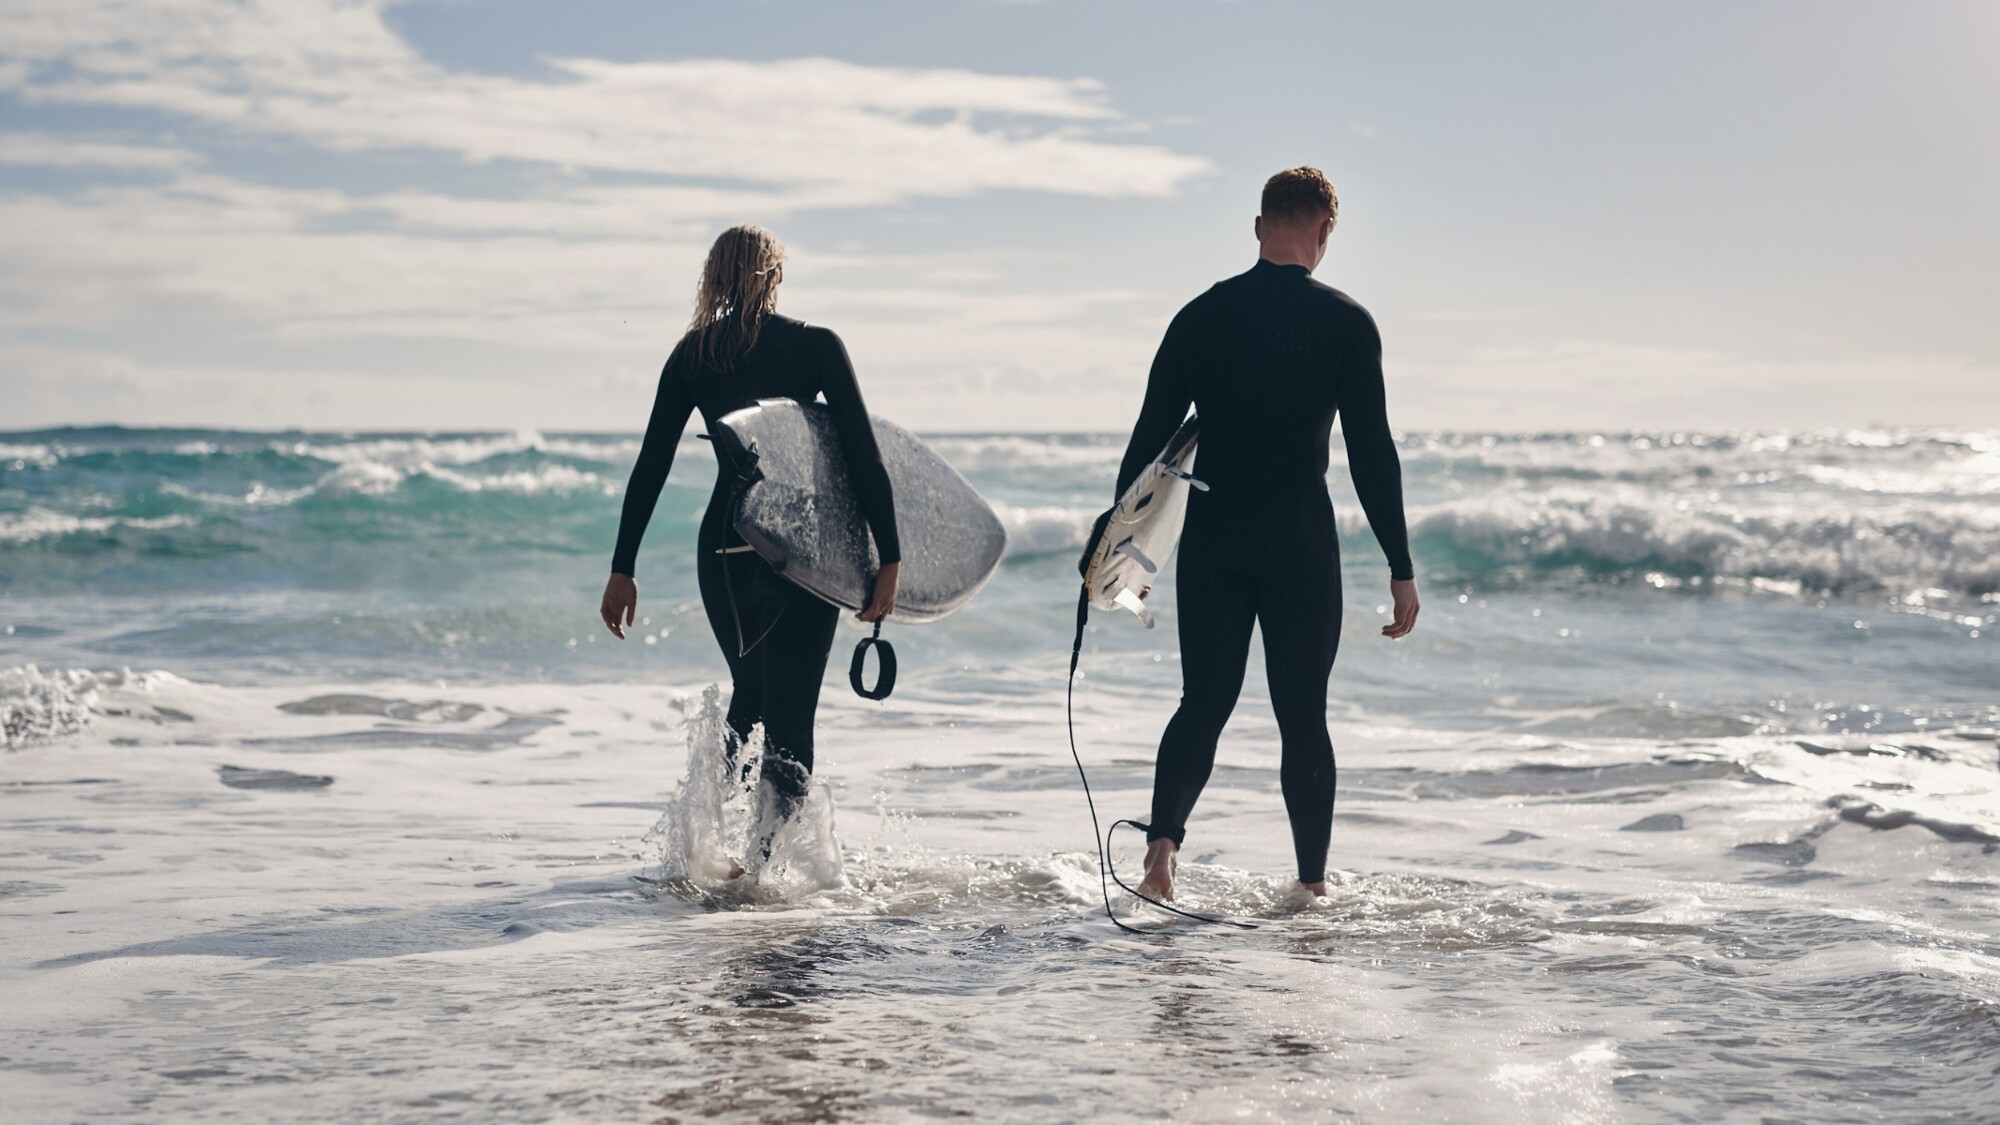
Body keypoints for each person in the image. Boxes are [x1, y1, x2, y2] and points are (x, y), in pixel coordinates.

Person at [1112, 167, 1419, 902]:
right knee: (1302, 714)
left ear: (1258, 227)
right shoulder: (1346, 322)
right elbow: (1373, 453)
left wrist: (1127, 550)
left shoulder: (1200, 316)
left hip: (1217, 536)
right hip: (1300, 542)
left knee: (1204, 700)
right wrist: (1400, 565)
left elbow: (1148, 443)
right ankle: (1311, 889)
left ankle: (1160, 857)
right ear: (1324, 234)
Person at [600, 225, 899, 866]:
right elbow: (863, 456)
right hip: (798, 551)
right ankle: (760, 870)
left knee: (751, 694)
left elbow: (650, 464)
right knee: (792, 719)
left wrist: (623, 567)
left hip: (725, 551)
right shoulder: (815, 347)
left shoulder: (693, 356)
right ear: (775, 276)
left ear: (713, 278)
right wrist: (889, 557)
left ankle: (710, 846)